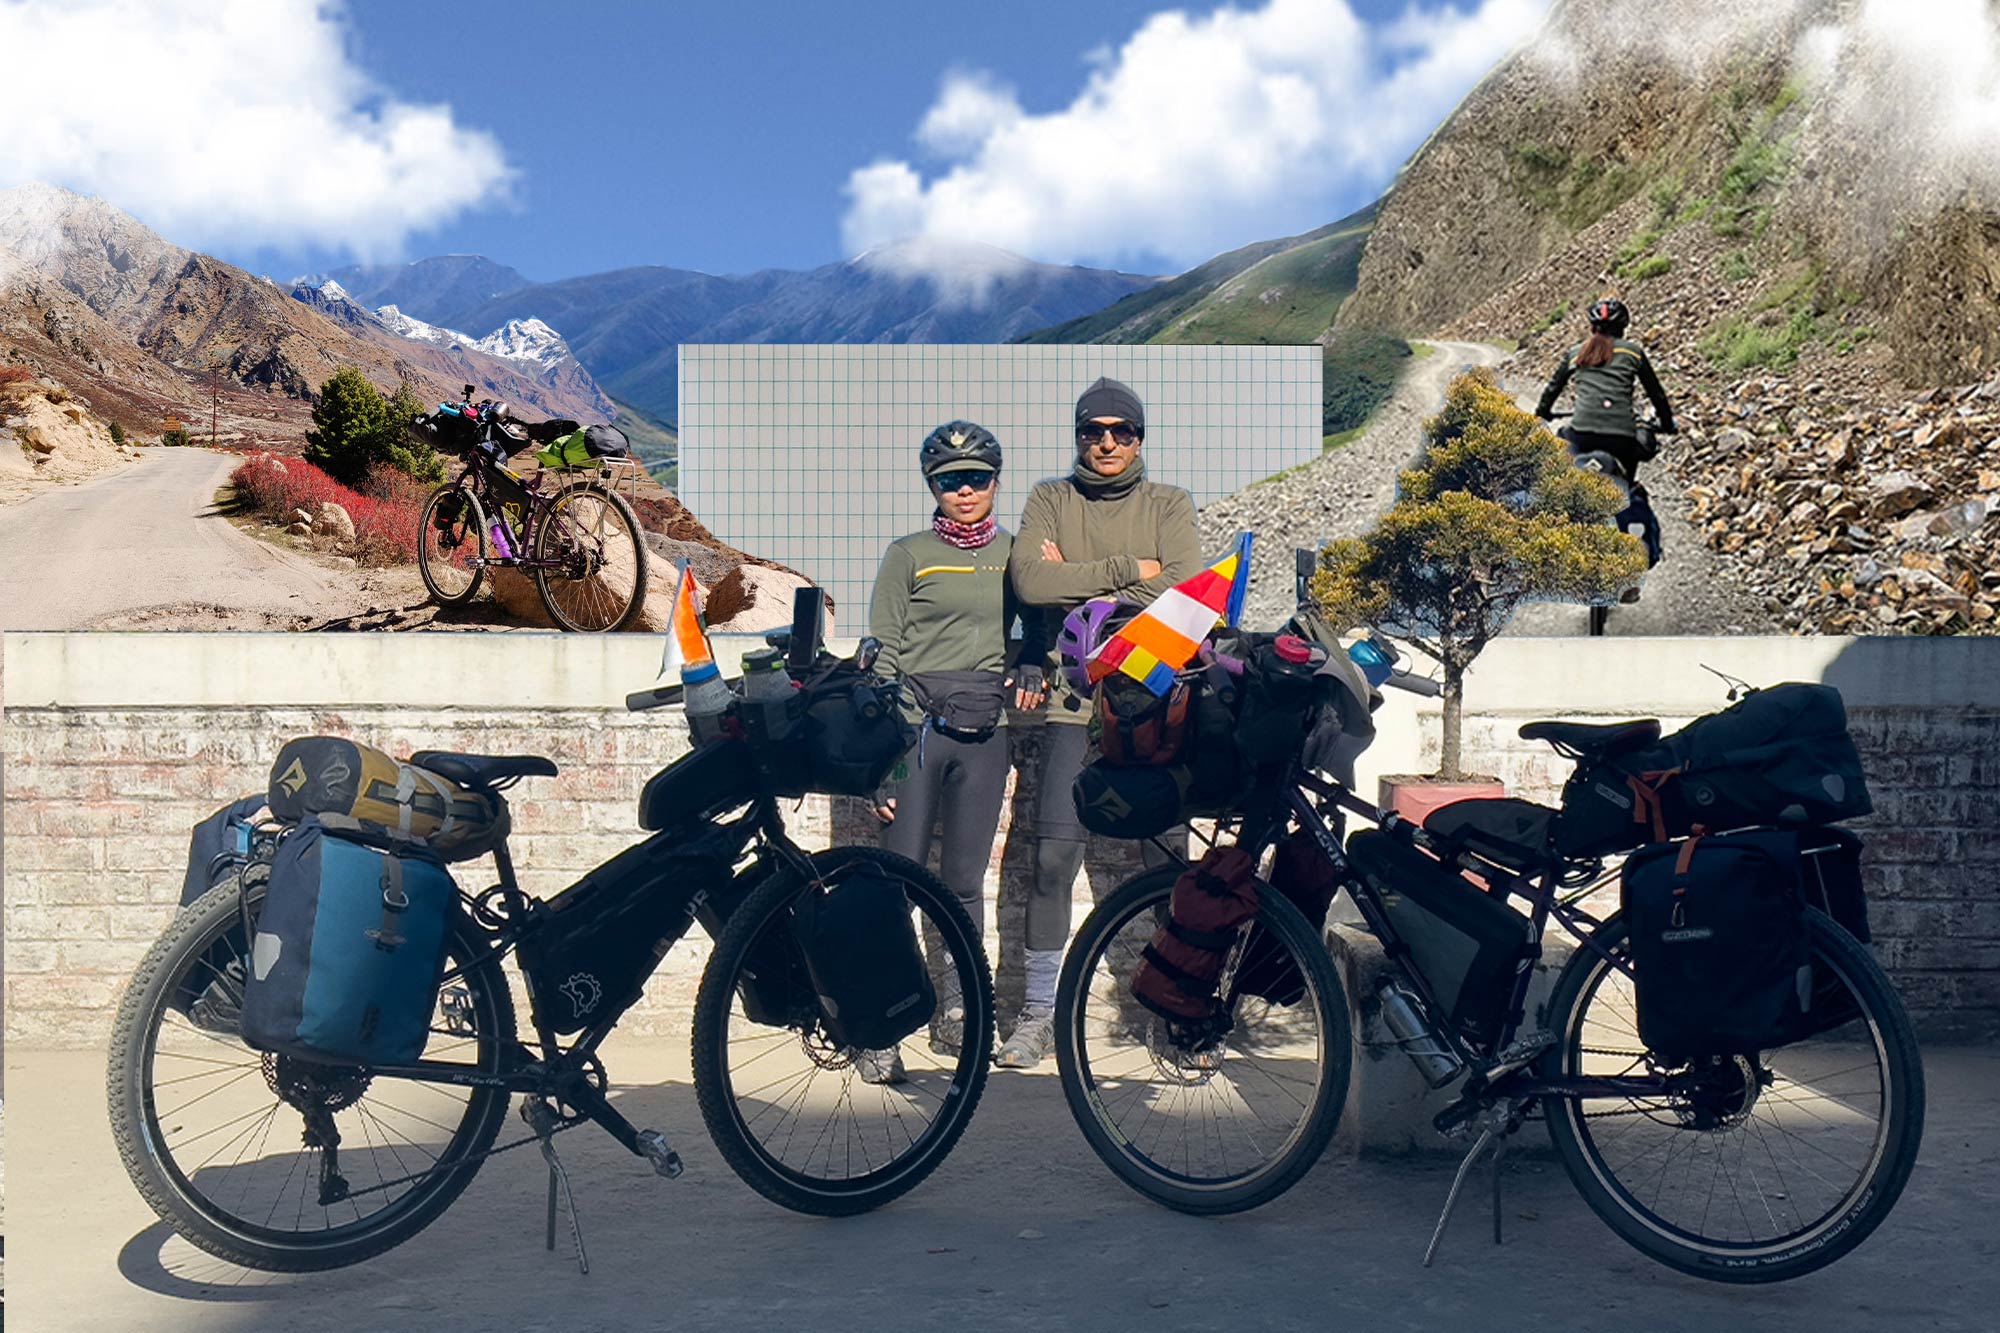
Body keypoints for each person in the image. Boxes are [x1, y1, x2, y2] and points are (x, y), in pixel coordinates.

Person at [999, 376, 1200, 1068]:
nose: (1108, 441)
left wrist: (1078, 577)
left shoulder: (1169, 502)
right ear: (1078, 435)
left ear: (1141, 437)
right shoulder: (1050, 498)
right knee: (1053, 858)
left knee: (1169, 861)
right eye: (1094, 430)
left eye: (1123, 430)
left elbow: (1187, 586)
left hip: (1157, 699)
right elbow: (1030, 583)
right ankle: (1038, 1013)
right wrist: (1126, 572)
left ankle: (1178, 1016)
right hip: (1073, 702)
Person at [863, 420, 1046, 1083]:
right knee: (896, 883)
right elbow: (882, 651)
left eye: (977, 477)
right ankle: (878, 1025)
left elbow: (1042, 626)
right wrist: (885, 760)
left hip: (984, 731)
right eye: (948, 480)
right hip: (914, 729)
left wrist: (1034, 662)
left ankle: (964, 1017)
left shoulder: (1017, 555)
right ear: (931, 486)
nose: (964, 490)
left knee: (965, 884)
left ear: (996, 480)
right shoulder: (908, 553)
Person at [1535, 297, 1677, 575]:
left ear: (1591, 327)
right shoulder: (1634, 353)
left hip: (1580, 436)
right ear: (1624, 327)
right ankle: (1631, 551)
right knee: (1625, 486)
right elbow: (1656, 394)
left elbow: (1551, 390)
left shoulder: (1576, 353)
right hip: (1621, 438)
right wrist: (1667, 423)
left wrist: (1542, 413)